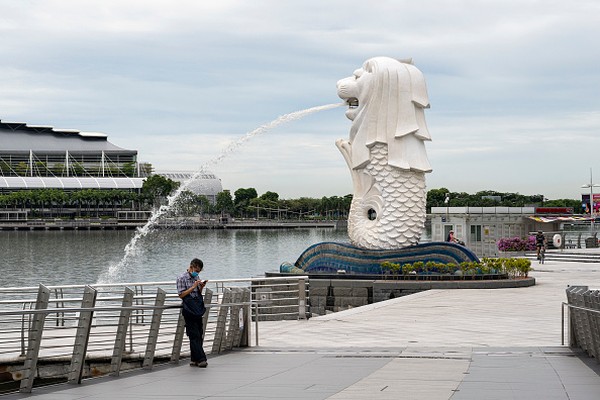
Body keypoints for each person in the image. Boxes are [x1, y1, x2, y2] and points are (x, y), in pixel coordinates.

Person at [176, 258, 209, 368]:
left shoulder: (196, 277)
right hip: (188, 309)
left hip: (197, 308)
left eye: (199, 271)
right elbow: (181, 294)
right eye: (196, 270)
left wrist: (201, 287)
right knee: (194, 334)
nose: (197, 273)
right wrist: (193, 286)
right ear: (191, 267)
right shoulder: (182, 278)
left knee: (199, 333)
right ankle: (201, 359)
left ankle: (194, 359)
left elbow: (196, 293)